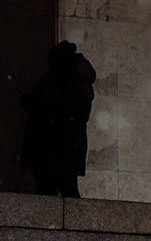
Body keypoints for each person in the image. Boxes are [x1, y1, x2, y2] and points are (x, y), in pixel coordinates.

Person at [19, 40, 97, 198]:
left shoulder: (54, 79)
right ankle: (76, 215)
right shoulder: (82, 82)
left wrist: (26, 100)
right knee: (68, 188)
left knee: (47, 189)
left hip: (50, 146)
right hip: (70, 147)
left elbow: (40, 104)